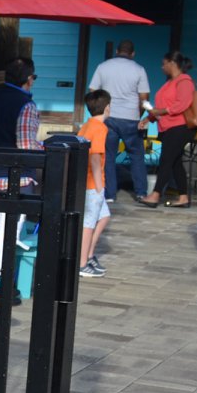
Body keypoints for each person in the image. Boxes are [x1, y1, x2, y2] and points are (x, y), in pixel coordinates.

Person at [0, 57, 43, 292]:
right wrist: (46, 147)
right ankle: (2, 285)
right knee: (9, 234)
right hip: (18, 178)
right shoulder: (26, 105)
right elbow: (26, 146)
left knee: (0, 233)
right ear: (29, 79)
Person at [88, 41, 152, 201]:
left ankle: (109, 194)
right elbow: (144, 97)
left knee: (109, 155)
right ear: (133, 53)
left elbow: (93, 90)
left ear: (117, 51)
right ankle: (141, 192)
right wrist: (139, 114)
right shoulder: (139, 69)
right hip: (131, 117)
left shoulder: (103, 67)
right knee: (137, 156)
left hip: (109, 117)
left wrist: (102, 110)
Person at [142, 51, 196, 207]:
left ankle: (156, 194)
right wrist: (149, 118)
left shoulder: (184, 81)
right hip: (168, 126)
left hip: (180, 126)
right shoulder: (170, 82)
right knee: (175, 161)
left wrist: (161, 112)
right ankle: (183, 197)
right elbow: (160, 106)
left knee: (166, 159)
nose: (162, 67)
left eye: (164, 63)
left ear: (172, 63)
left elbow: (182, 104)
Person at [77, 90, 113, 277]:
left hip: (86, 181)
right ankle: (82, 263)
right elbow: (95, 157)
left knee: (104, 216)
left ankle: (89, 255)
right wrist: (99, 186)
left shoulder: (87, 125)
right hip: (92, 183)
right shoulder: (100, 128)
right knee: (89, 223)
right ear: (107, 107)